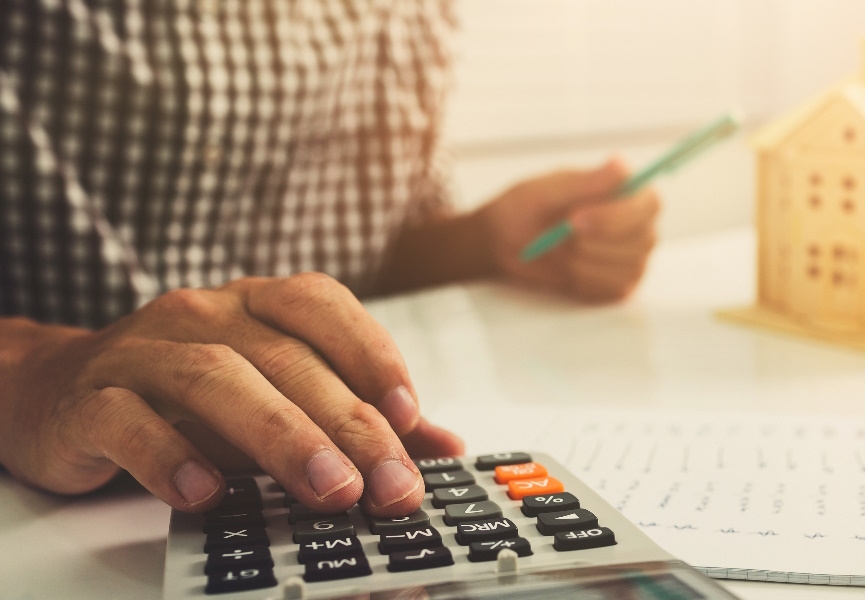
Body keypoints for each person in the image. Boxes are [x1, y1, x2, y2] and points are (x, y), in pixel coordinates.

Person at [0, 2, 658, 519]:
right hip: (47, 513)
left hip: (318, 479)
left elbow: (387, 247)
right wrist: (28, 369)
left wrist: (484, 241)